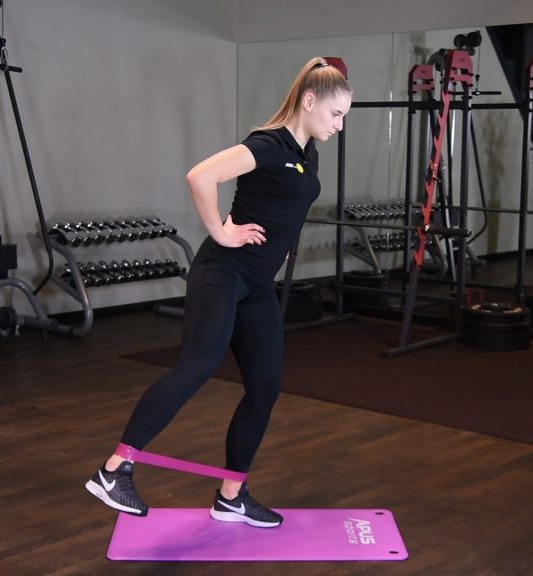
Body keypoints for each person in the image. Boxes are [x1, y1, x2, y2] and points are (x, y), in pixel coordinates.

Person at [86, 57, 352, 528]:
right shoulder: (268, 144)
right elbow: (200, 176)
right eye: (335, 114)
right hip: (223, 272)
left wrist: (282, 244)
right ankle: (114, 470)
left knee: (265, 387)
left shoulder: (307, 153)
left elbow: (283, 204)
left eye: (344, 116)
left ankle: (232, 496)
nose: (339, 125)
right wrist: (221, 232)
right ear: (309, 101)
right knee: (198, 366)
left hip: (257, 285)